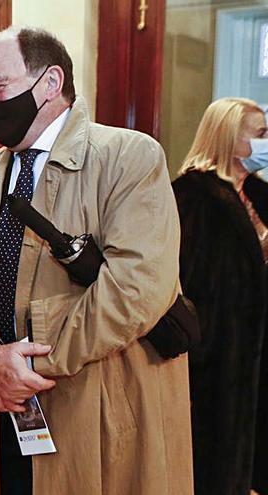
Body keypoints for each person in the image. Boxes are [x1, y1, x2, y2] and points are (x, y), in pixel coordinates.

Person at [0, 26, 193, 494]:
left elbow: (136, 290)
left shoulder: (128, 158)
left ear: (50, 83)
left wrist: (29, 365)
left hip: (92, 406)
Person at [172, 97, 268, 495]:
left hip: (255, 351)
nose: (267, 141)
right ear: (229, 137)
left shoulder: (259, 193)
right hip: (213, 357)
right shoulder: (192, 196)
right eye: (260, 134)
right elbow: (180, 279)